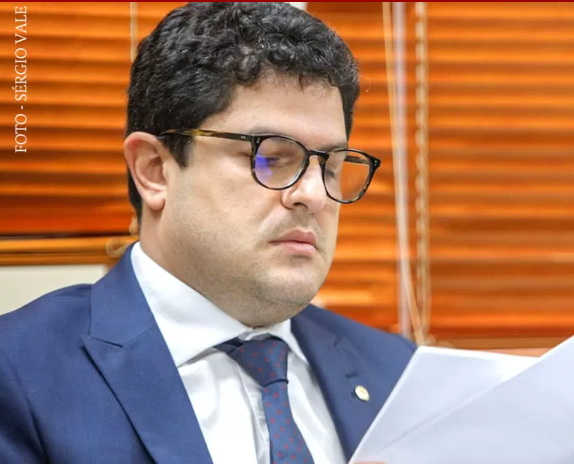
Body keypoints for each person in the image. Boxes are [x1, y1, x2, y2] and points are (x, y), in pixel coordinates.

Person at [0, 3, 415, 464]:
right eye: (270, 158)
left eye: (331, 167)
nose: (315, 195)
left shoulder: (397, 372)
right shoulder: (19, 373)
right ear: (154, 170)